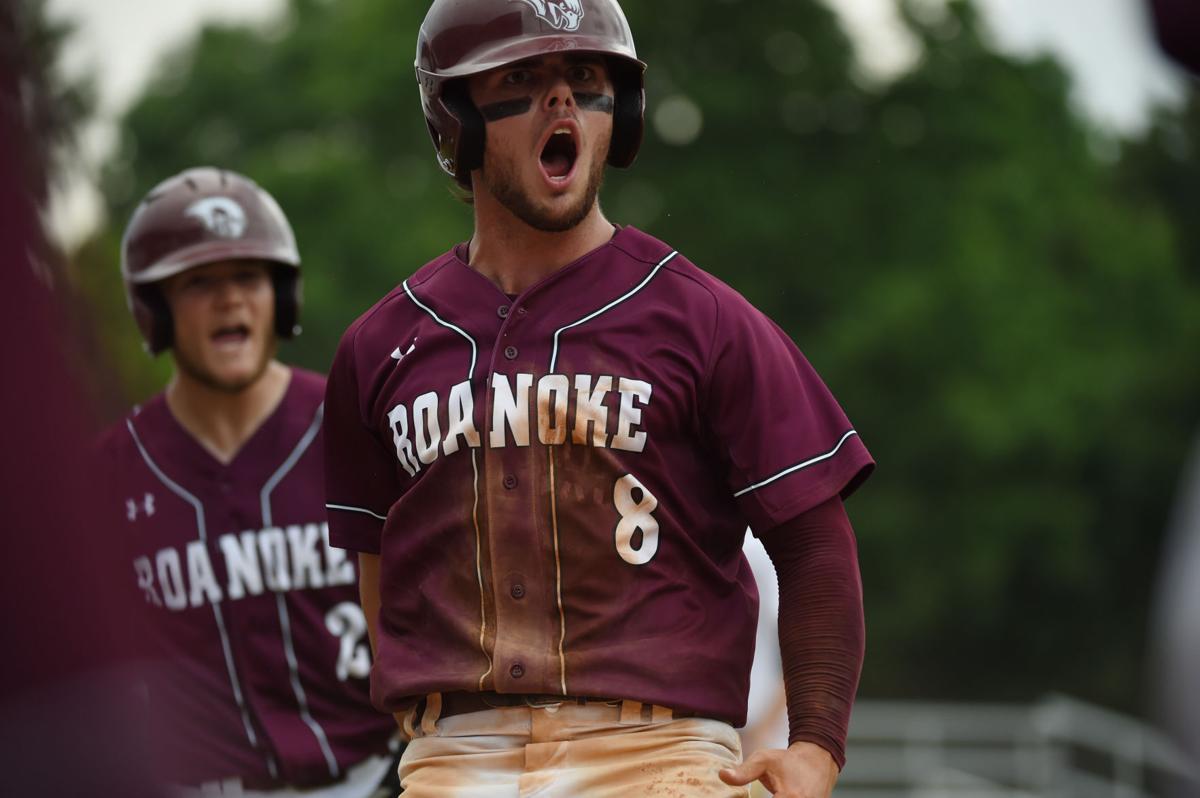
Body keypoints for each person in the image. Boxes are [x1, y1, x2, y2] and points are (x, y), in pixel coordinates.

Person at [323, 1, 873, 795]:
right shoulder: (379, 346)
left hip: (660, 754)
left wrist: (816, 746)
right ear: (457, 117)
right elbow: (382, 582)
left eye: (586, 78)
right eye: (523, 78)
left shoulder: (702, 317)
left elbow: (815, 541)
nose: (562, 103)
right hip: (454, 758)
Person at [98, 167, 399, 798]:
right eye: (199, 282)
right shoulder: (107, 476)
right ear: (154, 308)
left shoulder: (354, 425)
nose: (230, 299)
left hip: (377, 778)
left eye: (248, 276)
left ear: (281, 296)